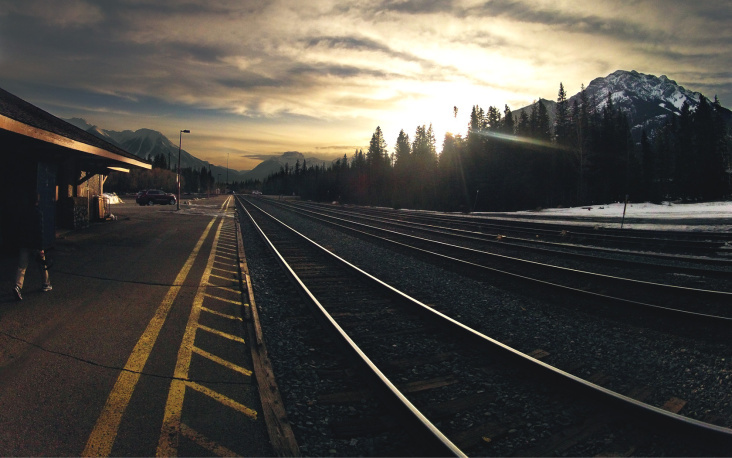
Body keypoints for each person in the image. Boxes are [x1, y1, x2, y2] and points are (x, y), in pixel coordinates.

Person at [13, 193, 51, 300]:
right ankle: (46, 284)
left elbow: (19, 228)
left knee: (22, 267)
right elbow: (39, 231)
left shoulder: (23, 212)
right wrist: (40, 248)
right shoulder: (38, 213)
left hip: (24, 243)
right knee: (42, 265)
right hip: (35, 244)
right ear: (37, 201)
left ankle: (17, 286)